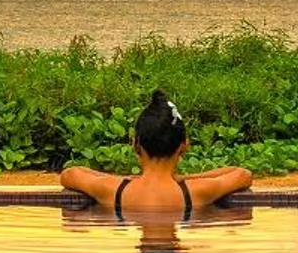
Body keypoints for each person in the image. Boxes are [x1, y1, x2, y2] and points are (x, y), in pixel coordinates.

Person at [60, 91, 252, 217]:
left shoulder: (114, 190)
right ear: (184, 146)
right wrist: (184, 179)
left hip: (123, 193)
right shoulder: (196, 191)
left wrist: (122, 180)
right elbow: (242, 174)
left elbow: (70, 174)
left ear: (136, 145)